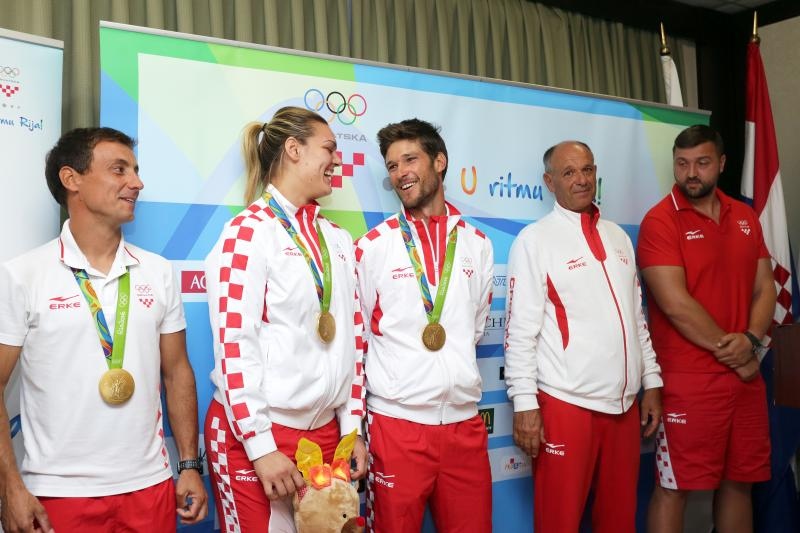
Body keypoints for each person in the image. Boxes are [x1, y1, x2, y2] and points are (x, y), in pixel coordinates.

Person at [0, 127, 207, 533]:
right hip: (56, 493)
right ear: (71, 179)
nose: (136, 182)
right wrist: (10, 488)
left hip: (150, 487)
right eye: (119, 169)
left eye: (135, 170)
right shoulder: (23, 275)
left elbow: (178, 370)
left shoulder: (159, 271)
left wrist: (189, 465)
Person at [204, 106, 367, 532]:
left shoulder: (337, 239)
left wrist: (352, 430)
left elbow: (355, 340)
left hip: (326, 438)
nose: (336, 160)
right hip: (256, 437)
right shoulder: (247, 233)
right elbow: (234, 345)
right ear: (294, 150)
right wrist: (260, 447)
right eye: (329, 148)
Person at [504, 140, 663, 533]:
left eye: (587, 170)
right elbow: (520, 332)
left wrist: (652, 382)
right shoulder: (535, 240)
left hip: (624, 408)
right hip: (566, 404)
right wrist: (525, 404)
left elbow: (636, 320)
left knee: (619, 521)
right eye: (569, 172)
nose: (581, 180)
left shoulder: (619, 238)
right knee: (558, 521)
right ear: (549, 181)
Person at [354, 118, 494, 533]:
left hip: (464, 426)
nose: (401, 173)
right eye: (392, 166)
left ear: (440, 161)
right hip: (397, 427)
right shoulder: (372, 246)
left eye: (410, 159)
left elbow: (475, 328)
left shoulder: (477, 244)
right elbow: (356, 341)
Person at [638, 125, 774, 533]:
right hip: (690, 381)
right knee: (674, 487)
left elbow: (765, 287)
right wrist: (737, 353)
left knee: (738, 484)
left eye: (701, 162)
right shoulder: (661, 220)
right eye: (682, 164)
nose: (690, 173)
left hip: (744, 378)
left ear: (721, 163)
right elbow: (675, 304)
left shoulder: (745, 216)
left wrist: (749, 341)